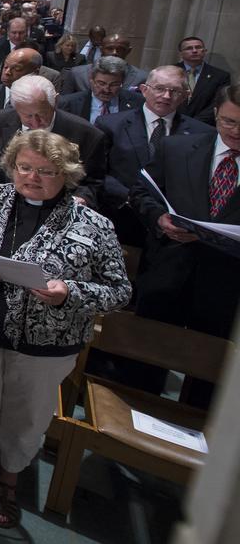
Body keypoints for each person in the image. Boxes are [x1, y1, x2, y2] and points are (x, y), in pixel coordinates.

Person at [0, 130, 130, 528]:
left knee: (24, 414)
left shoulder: (94, 225)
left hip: (45, 343)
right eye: (25, 167)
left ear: (67, 174)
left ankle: (9, 479)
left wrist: (69, 292)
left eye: (46, 171)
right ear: (12, 167)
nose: (33, 177)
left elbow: (119, 292)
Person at [129, 84, 240, 404]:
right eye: (229, 122)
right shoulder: (176, 148)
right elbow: (141, 193)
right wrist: (160, 219)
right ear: (217, 114)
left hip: (226, 287)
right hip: (168, 271)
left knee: (208, 383)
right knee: (145, 363)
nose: (236, 132)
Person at [96, 65, 213, 249]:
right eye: (159, 88)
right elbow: (96, 171)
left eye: (174, 91)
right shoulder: (111, 124)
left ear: (185, 96)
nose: (166, 96)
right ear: (144, 90)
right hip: (119, 218)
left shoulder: (201, 134)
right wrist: (133, 198)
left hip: (172, 231)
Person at [0, 74, 108, 203]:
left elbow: (93, 183)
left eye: (42, 114)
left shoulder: (87, 134)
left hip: (57, 210)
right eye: (27, 116)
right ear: (15, 107)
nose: (35, 123)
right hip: (0, 207)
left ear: (56, 101)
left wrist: (81, 198)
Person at [56, 56, 142, 123]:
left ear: (122, 82)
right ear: (91, 80)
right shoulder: (69, 103)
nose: (106, 90)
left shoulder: (137, 102)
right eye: (101, 83)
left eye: (114, 84)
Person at [63, 34, 148, 93]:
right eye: (110, 48)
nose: (115, 53)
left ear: (128, 51)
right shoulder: (77, 74)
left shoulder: (142, 78)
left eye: (120, 49)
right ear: (101, 49)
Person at [178, 35, 230, 125]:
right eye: (189, 48)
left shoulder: (220, 76)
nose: (194, 51)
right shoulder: (168, 70)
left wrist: (193, 123)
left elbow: (218, 102)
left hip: (202, 125)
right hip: (170, 121)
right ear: (181, 53)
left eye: (198, 47)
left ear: (204, 51)